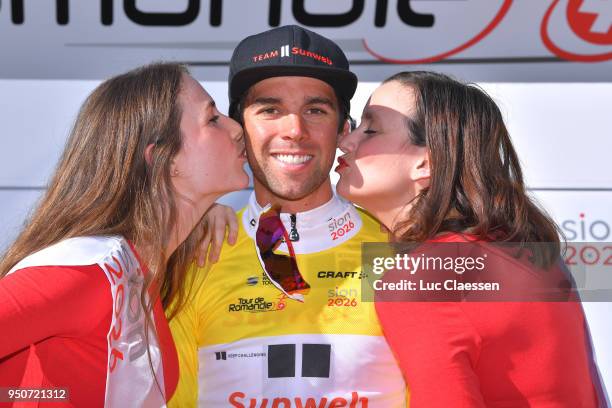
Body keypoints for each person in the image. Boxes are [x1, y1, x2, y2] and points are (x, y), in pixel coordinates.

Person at [336, 71, 607, 407]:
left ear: (426, 163)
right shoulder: (527, 250)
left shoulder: (425, 276)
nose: (345, 142)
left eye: (370, 130)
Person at [168, 25, 407, 406]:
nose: (294, 130)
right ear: (238, 131)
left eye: (315, 110)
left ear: (343, 130)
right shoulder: (192, 254)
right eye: (271, 110)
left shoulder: (403, 254)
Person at [0, 62, 249, 406]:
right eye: (212, 119)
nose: (237, 129)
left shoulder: (144, 276)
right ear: (163, 159)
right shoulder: (89, 271)